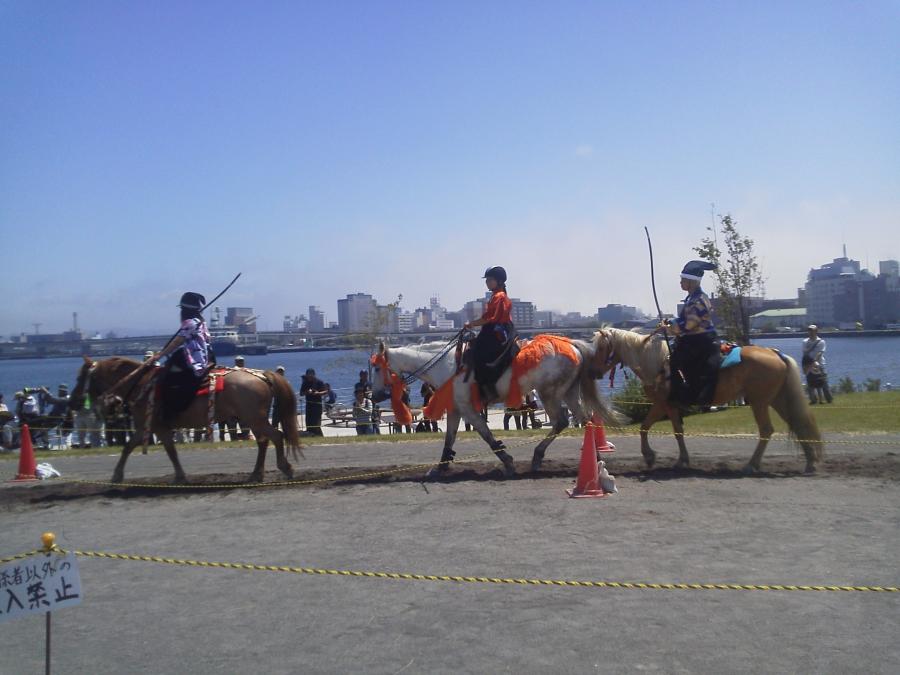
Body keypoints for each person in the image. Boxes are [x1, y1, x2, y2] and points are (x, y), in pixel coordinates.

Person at [663, 260, 719, 406]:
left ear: (691, 282)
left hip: (701, 341)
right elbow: (681, 320)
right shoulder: (691, 299)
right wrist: (669, 324)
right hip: (693, 340)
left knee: (675, 361)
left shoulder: (699, 300)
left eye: (683, 280)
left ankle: (687, 395)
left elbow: (688, 325)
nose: (680, 283)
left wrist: (669, 328)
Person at [152, 291, 213, 424]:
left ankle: (171, 410)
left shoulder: (189, 323)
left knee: (167, 376)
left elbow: (176, 342)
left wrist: (159, 355)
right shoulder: (200, 322)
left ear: (184, 310)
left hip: (193, 357)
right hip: (205, 355)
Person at [464, 266, 515, 401]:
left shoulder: (500, 297)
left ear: (498, 281)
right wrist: (473, 323)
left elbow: (492, 318)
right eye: (486, 280)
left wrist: (473, 324)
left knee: (480, 354)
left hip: (498, 330)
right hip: (492, 329)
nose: (487, 282)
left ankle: (489, 387)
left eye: (490, 280)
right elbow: (487, 316)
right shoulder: (494, 296)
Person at [802, 324, 833, 404]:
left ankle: (828, 399)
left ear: (816, 331)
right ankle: (813, 400)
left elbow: (820, 353)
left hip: (819, 364)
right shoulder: (805, 341)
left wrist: (814, 362)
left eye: (812, 330)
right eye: (809, 330)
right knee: (810, 383)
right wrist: (807, 364)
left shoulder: (821, 341)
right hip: (808, 365)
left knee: (823, 382)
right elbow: (805, 352)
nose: (810, 332)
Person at [300, 368, 327, 436]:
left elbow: (325, 391)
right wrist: (307, 392)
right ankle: (311, 436)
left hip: (317, 406)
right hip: (309, 406)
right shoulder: (305, 383)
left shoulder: (319, 382)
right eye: (308, 375)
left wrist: (318, 393)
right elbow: (301, 393)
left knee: (316, 423)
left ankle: (320, 436)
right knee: (309, 423)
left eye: (311, 375)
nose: (309, 377)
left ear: (314, 375)